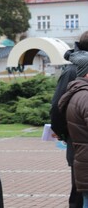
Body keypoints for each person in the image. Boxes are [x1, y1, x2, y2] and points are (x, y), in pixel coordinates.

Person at [50, 31, 88, 208]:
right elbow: (58, 107)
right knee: (80, 192)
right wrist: (65, 134)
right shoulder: (73, 70)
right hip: (79, 142)